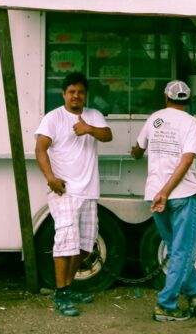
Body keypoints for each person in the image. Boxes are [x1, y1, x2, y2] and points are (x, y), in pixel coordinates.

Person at [35, 71, 113, 317]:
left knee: (85, 245)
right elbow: (40, 149)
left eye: (80, 92)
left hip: (89, 190)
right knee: (65, 242)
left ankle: (68, 287)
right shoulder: (53, 118)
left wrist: (88, 128)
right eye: (71, 92)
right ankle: (61, 293)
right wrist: (50, 178)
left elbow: (108, 136)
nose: (76, 96)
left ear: (85, 94)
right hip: (65, 190)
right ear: (64, 94)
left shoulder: (93, 116)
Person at [131, 79, 196, 322]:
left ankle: (194, 293)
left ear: (166, 98)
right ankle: (166, 304)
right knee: (183, 252)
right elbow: (186, 161)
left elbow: (137, 149)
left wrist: (161, 191)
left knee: (176, 250)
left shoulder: (154, 118)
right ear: (189, 100)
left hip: (155, 194)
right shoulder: (191, 123)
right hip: (182, 194)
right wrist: (168, 191)